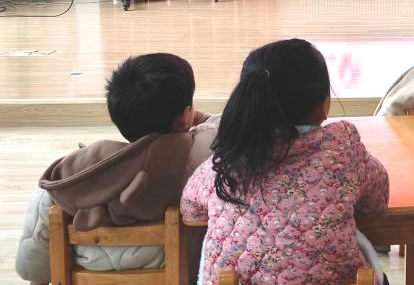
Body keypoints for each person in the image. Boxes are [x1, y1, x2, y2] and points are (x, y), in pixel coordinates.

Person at [182, 39, 389, 285]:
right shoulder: (342, 148)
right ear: (324, 105)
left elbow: (190, 209)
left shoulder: (226, 161)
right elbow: (377, 202)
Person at [16, 53, 218, 285]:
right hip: (180, 270)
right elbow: (229, 126)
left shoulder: (70, 176)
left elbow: (33, 270)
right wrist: (196, 117)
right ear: (185, 116)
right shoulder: (203, 155)